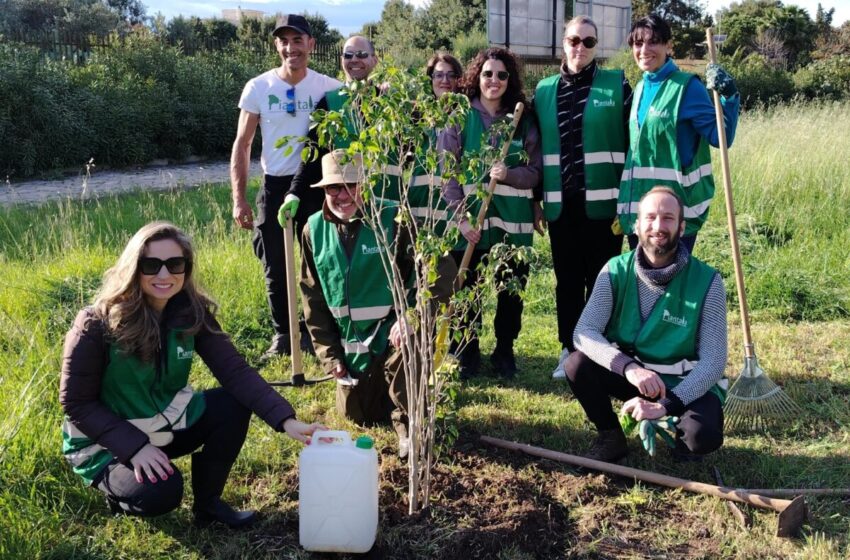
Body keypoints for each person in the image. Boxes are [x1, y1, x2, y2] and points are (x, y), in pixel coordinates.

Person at [59, 222, 324, 527]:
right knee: (162, 493)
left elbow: (235, 371)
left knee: (233, 403)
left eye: (175, 264)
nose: (164, 275)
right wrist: (134, 448)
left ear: (186, 268)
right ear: (133, 267)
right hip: (103, 444)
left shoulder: (191, 312)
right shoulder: (95, 323)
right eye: (151, 265)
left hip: (159, 427)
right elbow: (76, 404)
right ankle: (117, 491)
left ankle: (208, 507)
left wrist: (285, 420)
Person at [298, 150, 456, 458]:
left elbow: (441, 268)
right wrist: (330, 358)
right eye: (333, 188)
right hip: (352, 351)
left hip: (394, 338)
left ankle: (409, 424)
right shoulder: (312, 229)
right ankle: (382, 396)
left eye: (350, 186)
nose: (342, 195)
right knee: (356, 415)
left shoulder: (395, 218)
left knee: (404, 382)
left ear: (365, 186)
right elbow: (312, 300)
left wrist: (412, 316)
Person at [565, 187, 728, 462]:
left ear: (682, 226)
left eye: (668, 218)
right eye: (650, 217)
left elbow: (714, 362)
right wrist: (629, 369)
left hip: (684, 386)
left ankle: (679, 431)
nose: (658, 226)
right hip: (638, 378)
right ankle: (610, 436)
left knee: (702, 437)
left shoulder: (708, 281)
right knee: (576, 363)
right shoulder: (615, 270)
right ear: (637, 226)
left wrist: (665, 405)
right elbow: (584, 332)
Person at [230, 14, 341, 362]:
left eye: (298, 40)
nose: (291, 48)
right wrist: (239, 199)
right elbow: (243, 144)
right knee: (275, 266)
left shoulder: (329, 88)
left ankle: (325, 333)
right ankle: (284, 336)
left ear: (311, 44)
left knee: (323, 265)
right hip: (276, 187)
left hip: (319, 187)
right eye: (284, 41)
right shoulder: (259, 87)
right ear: (277, 46)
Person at [533, 16, 632, 380]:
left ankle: (600, 352)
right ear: (563, 42)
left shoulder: (616, 84)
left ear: (596, 48)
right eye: (574, 40)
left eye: (589, 42)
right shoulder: (543, 90)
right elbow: (534, 152)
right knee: (568, 281)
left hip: (605, 207)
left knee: (602, 282)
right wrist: (534, 200)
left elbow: (634, 139)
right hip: (561, 206)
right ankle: (569, 349)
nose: (580, 48)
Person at [439, 47, 543, 379]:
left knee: (510, 293)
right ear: (476, 76)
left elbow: (536, 171)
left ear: (509, 80)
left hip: (514, 226)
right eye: (487, 74)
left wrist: (509, 174)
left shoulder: (522, 118)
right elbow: (447, 173)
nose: (494, 80)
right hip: (470, 224)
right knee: (467, 291)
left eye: (501, 75)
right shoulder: (459, 116)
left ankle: (504, 350)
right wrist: (461, 219)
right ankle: (466, 351)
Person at [618, 14, 740, 252]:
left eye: (653, 42)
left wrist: (729, 96)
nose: (644, 50)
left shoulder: (687, 87)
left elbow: (721, 136)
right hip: (641, 212)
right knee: (641, 284)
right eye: (637, 43)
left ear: (668, 45)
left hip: (674, 215)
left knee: (672, 284)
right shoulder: (641, 87)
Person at [281, 35, 383, 230]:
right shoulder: (329, 103)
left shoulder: (389, 103)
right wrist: (293, 193)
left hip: (384, 206)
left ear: (374, 60)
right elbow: (312, 154)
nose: (354, 59)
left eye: (361, 54)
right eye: (348, 55)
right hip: (344, 206)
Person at [407, 52, 465, 231]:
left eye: (451, 75)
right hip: (421, 210)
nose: (444, 80)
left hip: (452, 213)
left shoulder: (464, 117)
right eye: (438, 75)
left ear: (459, 80)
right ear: (430, 79)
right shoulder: (417, 116)